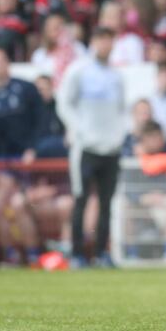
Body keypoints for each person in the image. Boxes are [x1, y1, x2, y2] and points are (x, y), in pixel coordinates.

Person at [56, 27, 126, 268]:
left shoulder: (116, 76)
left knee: (107, 203)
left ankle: (101, 253)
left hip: (110, 149)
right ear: (94, 42)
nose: (106, 45)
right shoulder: (78, 71)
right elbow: (64, 103)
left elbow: (121, 110)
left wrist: (118, 136)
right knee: (81, 200)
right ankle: (76, 254)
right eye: (102, 40)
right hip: (85, 148)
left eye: (110, 41)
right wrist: (78, 131)